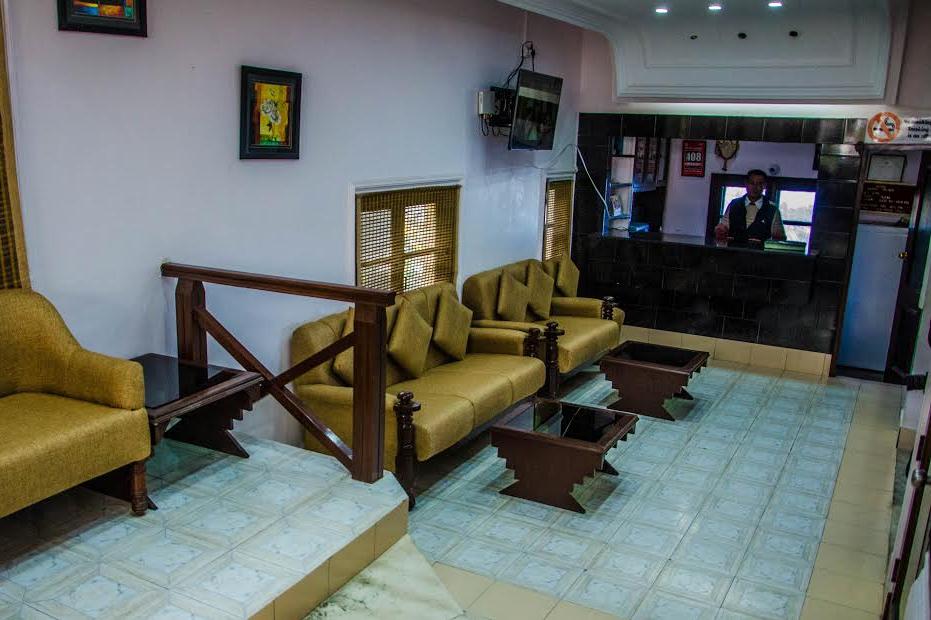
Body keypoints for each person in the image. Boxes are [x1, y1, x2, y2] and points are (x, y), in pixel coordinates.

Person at [714, 169, 786, 244]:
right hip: (734, 249)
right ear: (746, 184)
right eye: (752, 183)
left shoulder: (772, 209)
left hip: (759, 250)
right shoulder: (734, 204)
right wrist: (720, 230)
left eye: (759, 184)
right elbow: (723, 227)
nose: (755, 187)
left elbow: (779, 238)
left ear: (764, 185)